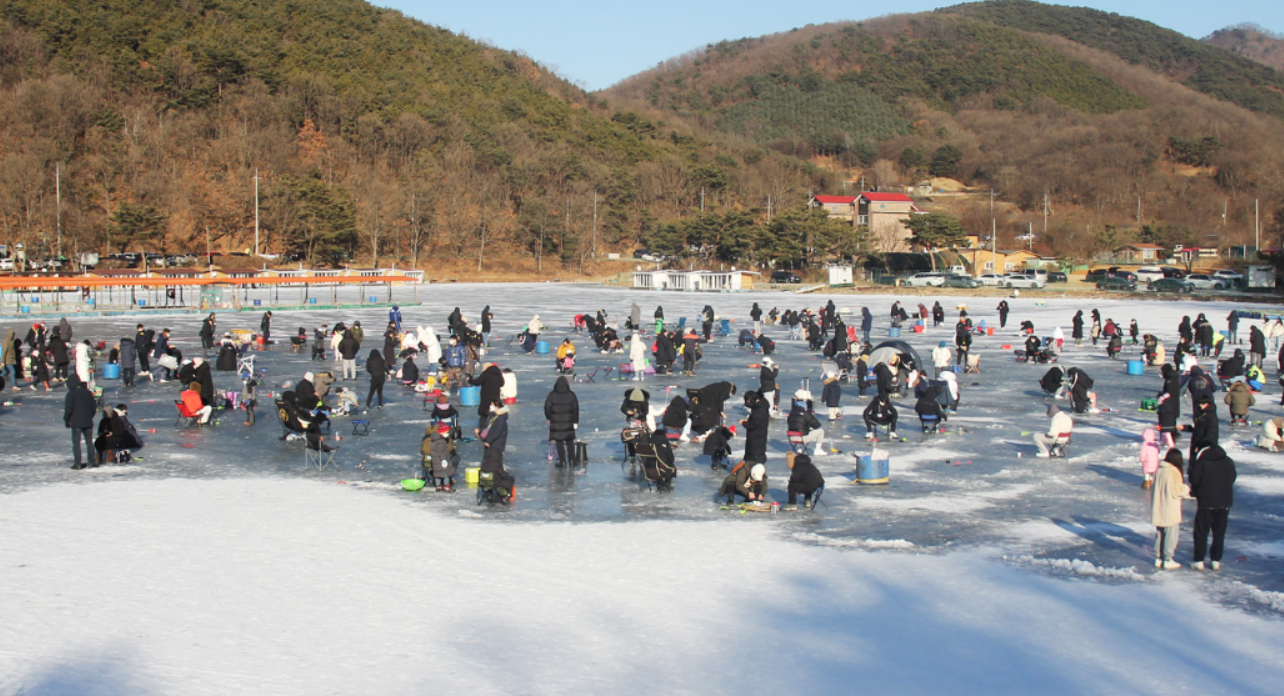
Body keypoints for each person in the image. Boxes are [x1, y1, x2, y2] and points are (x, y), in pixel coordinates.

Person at [1188, 445, 1237, 570]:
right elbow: (1232, 478)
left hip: (1206, 502)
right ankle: (1216, 560)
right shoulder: (1228, 462)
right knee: (1219, 533)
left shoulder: (1202, 463)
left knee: (1201, 532)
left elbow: (1194, 479)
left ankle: (1199, 560)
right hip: (1224, 502)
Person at [1152, 448, 1190, 570]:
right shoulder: (1174, 471)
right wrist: (1186, 488)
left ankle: (1158, 558)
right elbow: (1177, 491)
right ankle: (1167, 559)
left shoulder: (1159, 470)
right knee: (1170, 534)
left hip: (1159, 506)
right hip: (1169, 507)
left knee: (1160, 533)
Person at [478, 398, 515, 502]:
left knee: (496, 466)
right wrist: (480, 432)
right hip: (490, 445)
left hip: (496, 446)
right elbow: (488, 429)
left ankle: (499, 489)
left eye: (492, 405)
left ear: (496, 406)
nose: (490, 407)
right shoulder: (492, 416)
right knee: (491, 465)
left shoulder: (501, 418)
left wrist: (489, 441)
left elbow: (497, 432)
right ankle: (492, 489)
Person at [544, 376, 580, 467]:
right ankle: (572, 460)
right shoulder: (571, 395)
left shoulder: (552, 395)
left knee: (559, 441)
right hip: (568, 422)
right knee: (569, 441)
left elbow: (547, 407)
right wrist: (575, 421)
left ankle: (562, 461)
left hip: (556, 423)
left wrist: (549, 417)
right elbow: (575, 409)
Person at [64, 375, 96, 469]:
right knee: (89, 442)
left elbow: (68, 409)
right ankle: (91, 462)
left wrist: (67, 420)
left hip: (76, 422)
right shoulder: (88, 392)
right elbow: (93, 407)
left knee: (76, 443)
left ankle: (77, 463)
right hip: (88, 422)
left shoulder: (71, 394)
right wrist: (89, 416)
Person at [1178, 397, 1218, 466]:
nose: (1200, 405)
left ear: (1207, 404)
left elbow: (1211, 434)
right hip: (1196, 444)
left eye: (1202, 403)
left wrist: (1200, 447)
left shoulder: (1211, 417)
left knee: (1201, 466)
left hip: (1204, 447)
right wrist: (1184, 427)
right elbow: (1196, 427)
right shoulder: (1201, 414)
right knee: (1194, 464)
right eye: (1199, 403)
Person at [787, 391, 826, 456]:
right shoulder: (806, 413)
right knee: (821, 431)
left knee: (798, 429)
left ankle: (799, 448)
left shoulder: (791, 413)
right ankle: (818, 449)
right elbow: (817, 425)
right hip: (802, 438)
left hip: (791, 437)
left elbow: (790, 424)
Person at [421, 423, 459, 491]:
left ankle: (438, 486)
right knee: (446, 472)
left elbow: (423, 451)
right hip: (441, 460)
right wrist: (444, 459)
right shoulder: (442, 441)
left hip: (431, 462)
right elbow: (445, 451)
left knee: (437, 474)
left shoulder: (429, 438)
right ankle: (447, 485)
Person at [469, 362, 505, 430]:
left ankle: (482, 429)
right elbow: (502, 383)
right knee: (494, 413)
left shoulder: (485, 374)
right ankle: (493, 428)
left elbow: (477, 382)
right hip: (496, 397)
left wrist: (469, 380)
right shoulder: (498, 374)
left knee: (484, 414)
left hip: (486, 397)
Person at [739, 390, 770, 464]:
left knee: (754, 457)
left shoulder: (758, 410)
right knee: (757, 454)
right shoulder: (761, 406)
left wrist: (744, 423)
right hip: (759, 436)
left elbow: (752, 425)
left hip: (756, 438)